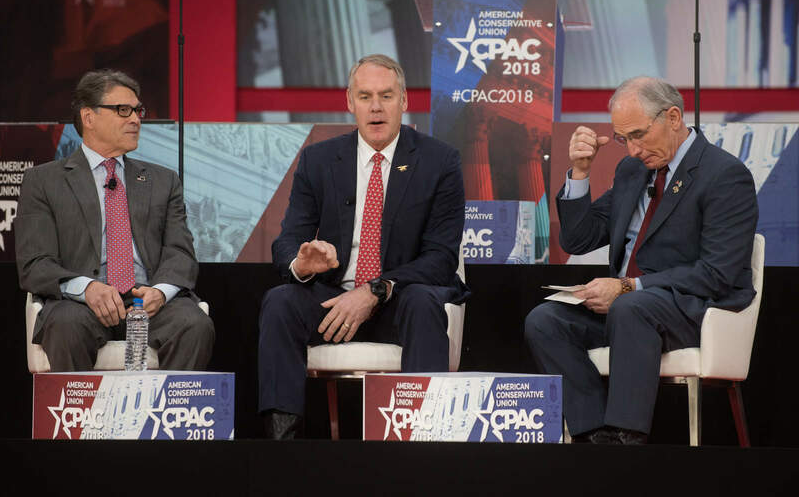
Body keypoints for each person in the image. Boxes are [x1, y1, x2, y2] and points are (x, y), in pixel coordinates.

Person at [524, 76, 758, 444]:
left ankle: (627, 437)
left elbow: (718, 273)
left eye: (638, 135)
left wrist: (630, 286)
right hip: (628, 309)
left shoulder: (724, 175)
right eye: (623, 139)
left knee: (631, 307)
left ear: (674, 118)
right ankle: (592, 434)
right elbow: (579, 238)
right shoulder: (632, 172)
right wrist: (581, 173)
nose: (632, 150)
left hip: (689, 310)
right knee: (545, 320)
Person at [258, 54, 469, 439]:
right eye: (365, 96)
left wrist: (375, 289)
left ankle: (425, 440)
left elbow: (441, 258)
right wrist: (303, 264)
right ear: (349, 102)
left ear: (404, 101)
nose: (375, 107)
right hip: (332, 301)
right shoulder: (319, 160)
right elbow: (288, 240)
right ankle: (281, 442)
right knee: (280, 301)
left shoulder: (440, 161)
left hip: (399, 299)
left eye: (386, 96)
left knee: (424, 302)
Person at [15, 69, 214, 371]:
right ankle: (81, 420)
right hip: (80, 304)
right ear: (89, 117)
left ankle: (163, 418)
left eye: (137, 110)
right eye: (123, 110)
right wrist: (88, 288)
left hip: (148, 304)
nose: (135, 119)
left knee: (193, 324)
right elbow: (35, 264)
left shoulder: (163, 181)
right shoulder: (43, 181)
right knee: (66, 325)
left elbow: (181, 253)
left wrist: (160, 292)